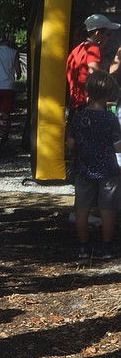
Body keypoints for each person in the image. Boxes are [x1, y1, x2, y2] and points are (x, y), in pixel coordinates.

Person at [66, 70, 121, 260]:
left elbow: (71, 144)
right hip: (108, 170)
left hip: (83, 168)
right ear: (109, 95)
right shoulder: (110, 119)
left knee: (82, 209)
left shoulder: (78, 117)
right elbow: (118, 147)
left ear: (87, 91)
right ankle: (106, 247)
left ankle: (83, 246)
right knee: (108, 210)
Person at [67, 14, 120, 111]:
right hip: (89, 107)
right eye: (108, 33)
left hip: (74, 105)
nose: (108, 38)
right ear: (97, 33)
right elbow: (99, 83)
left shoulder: (75, 51)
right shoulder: (93, 50)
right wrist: (117, 59)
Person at [0, 34, 22, 148]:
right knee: (6, 114)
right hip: (9, 87)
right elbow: (18, 72)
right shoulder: (14, 53)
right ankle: (4, 138)